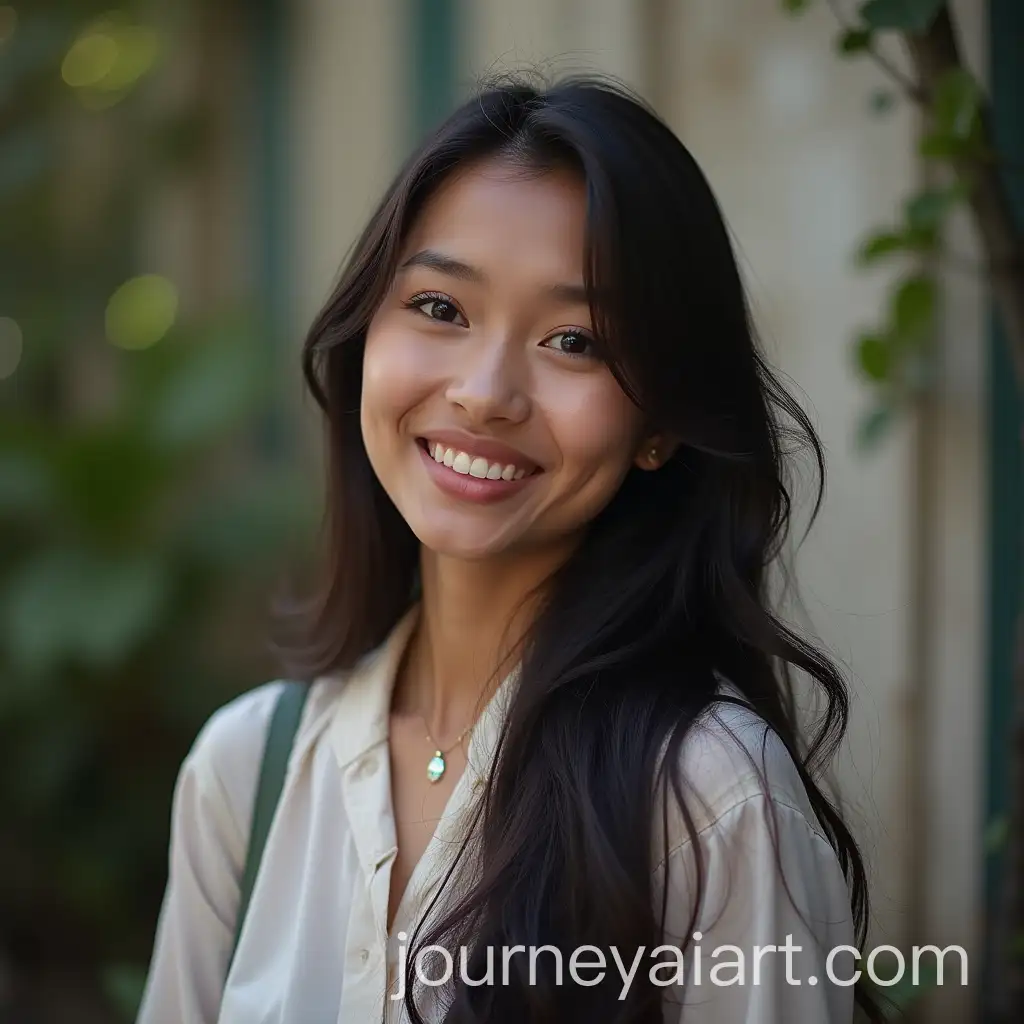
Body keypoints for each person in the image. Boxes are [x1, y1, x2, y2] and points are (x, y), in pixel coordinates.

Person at [137, 76, 882, 1023]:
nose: (486, 393)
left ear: (660, 423)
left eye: (574, 340)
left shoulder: (709, 800)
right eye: (441, 308)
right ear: (367, 338)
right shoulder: (245, 773)